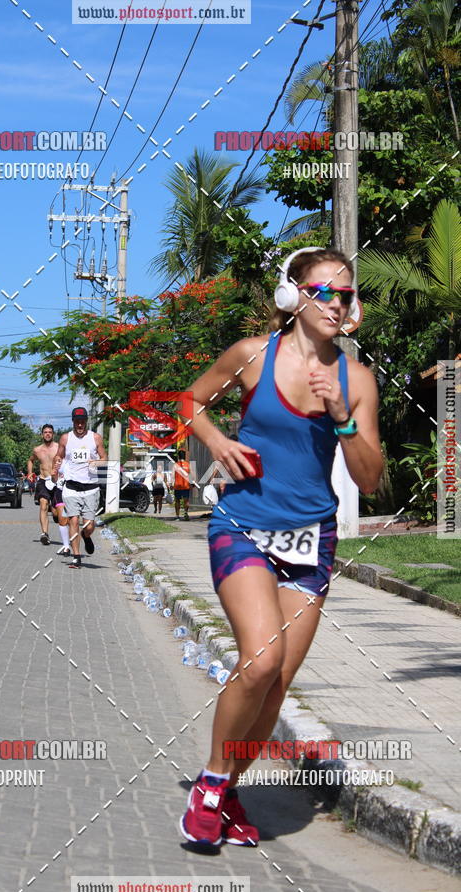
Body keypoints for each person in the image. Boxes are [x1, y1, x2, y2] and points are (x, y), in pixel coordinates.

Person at [179, 246, 383, 847]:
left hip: (311, 539)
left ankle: (229, 790)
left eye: (345, 294)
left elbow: (369, 479)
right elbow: (191, 400)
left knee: (277, 681)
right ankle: (212, 785)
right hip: (244, 525)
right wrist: (215, 439)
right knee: (261, 659)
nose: (335, 303)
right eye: (323, 291)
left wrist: (344, 417)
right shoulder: (252, 356)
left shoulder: (358, 380)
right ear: (294, 297)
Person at [56, 407, 107, 569]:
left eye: (82, 421)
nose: (80, 425)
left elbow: (104, 458)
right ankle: (76, 556)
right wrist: (55, 469)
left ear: (86, 421)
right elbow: (59, 456)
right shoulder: (65, 438)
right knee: (73, 521)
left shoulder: (95, 438)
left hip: (91, 488)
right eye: (77, 421)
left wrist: (97, 462)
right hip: (71, 487)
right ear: (73, 421)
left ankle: (86, 536)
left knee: (89, 525)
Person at [27, 424, 61, 545]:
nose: (47, 434)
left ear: (53, 434)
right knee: (43, 504)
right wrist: (30, 473)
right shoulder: (37, 450)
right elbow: (30, 460)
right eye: (45, 432)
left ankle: (55, 514)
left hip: (57, 481)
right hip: (43, 480)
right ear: (42, 434)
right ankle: (45, 534)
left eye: (50, 432)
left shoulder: (59, 448)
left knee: (57, 513)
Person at [172, 449, 191, 520]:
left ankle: (177, 516)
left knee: (177, 501)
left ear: (179, 456)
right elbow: (191, 476)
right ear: (185, 456)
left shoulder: (175, 465)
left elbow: (172, 476)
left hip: (177, 486)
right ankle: (186, 514)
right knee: (186, 500)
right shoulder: (188, 465)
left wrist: (171, 484)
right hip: (186, 486)